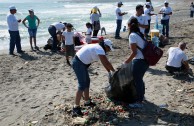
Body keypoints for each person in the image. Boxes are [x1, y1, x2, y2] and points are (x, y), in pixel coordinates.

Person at [72, 39, 115, 116]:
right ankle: (75, 107)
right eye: (109, 49)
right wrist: (114, 71)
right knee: (82, 85)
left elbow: (104, 63)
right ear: (105, 46)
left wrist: (109, 72)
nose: (109, 51)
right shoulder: (99, 49)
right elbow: (106, 63)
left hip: (82, 63)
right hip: (78, 63)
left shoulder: (98, 47)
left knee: (87, 82)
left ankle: (87, 101)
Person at [123, 18, 149, 108]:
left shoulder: (132, 36)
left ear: (129, 25)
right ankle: (142, 97)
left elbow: (134, 53)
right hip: (146, 61)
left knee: (137, 80)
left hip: (139, 61)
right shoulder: (140, 34)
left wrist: (126, 62)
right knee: (140, 80)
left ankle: (139, 101)